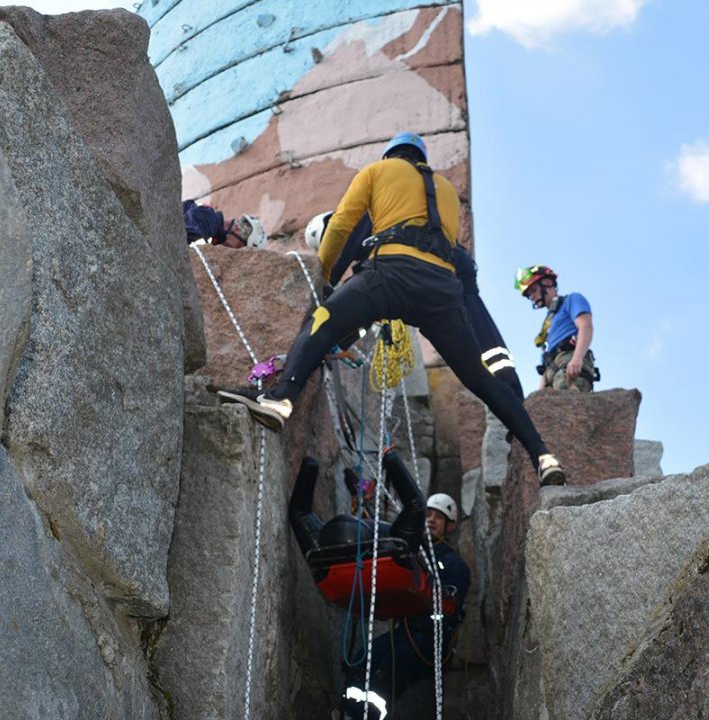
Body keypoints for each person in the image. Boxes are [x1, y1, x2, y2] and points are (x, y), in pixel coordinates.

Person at [222, 132, 563, 485]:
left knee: (321, 322)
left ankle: (280, 399)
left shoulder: (377, 173)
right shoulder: (445, 191)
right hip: (441, 292)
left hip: (389, 275)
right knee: (481, 379)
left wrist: (322, 281)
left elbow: (341, 225)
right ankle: (543, 455)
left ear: (389, 156)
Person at [307, 209, 523, 401]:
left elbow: (352, 280)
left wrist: (326, 283)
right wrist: (337, 343)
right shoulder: (373, 247)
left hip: (442, 267)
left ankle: (509, 392)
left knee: (487, 348)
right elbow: (362, 308)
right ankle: (510, 393)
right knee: (482, 337)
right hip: (446, 272)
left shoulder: (360, 221)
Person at [336, 491, 470, 720]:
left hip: (432, 639)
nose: (431, 519)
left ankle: (369, 715)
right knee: (362, 658)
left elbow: (449, 609)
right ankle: (349, 712)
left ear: (450, 526)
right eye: (428, 514)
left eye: (439, 517)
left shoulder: (454, 565)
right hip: (405, 631)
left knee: (388, 666)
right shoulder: (410, 552)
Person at [515, 265, 600, 392]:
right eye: (529, 294)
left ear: (548, 283)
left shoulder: (571, 300)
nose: (531, 296)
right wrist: (540, 391)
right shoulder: (549, 321)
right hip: (553, 369)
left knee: (568, 404)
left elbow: (585, 326)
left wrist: (577, 358)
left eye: (533, 290)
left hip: (568, 362)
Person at [183, 199, 267, 248]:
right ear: (237, 229)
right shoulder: (206, 222)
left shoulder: (208, 222)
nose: (233, 250)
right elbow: (177, 236)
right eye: (239, 247)